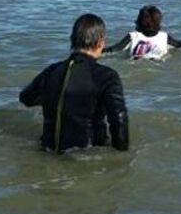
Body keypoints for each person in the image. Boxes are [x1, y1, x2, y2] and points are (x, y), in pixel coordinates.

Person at [19, 13, 129, 154]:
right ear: (100, 42)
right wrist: (122, 157)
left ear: (72, 40)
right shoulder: (107, 76)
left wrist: (56, 99)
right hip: (88, 155)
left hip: (48, 150)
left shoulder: (51, 71)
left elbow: (26, 98)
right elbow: (119, 119)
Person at [103, 5, 181, 60]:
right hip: (158, 66)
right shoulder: (164, 37)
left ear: (138, 21)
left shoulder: (132, 37)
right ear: (158, 22)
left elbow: (113, 50)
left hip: (135, 65)